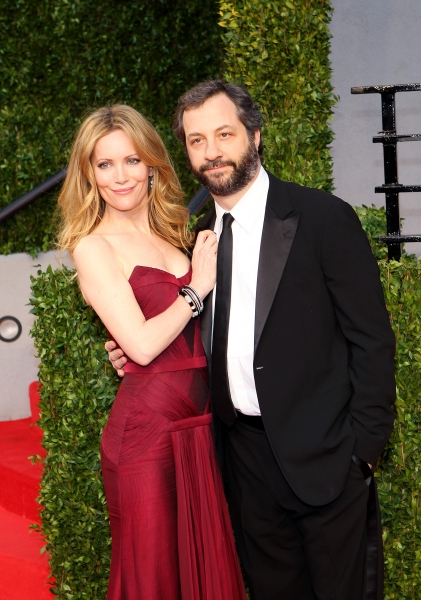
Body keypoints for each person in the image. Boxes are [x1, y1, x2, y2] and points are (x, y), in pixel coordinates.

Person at [107, 81, 397, 600]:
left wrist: (363, 453)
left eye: (224, 134)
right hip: (243, 466)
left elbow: (372, 341)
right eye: (197, 140)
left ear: (255, 136)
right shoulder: (195, 240)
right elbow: (183, 331)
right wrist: (130, 350)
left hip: (328, 460)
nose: (212, 151)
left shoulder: (322, 218)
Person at [57, 104, 248, 600]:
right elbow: (141, 346)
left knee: (199, 573)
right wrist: (195, 289)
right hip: (147, 437)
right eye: (104, 165)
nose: (120, 177)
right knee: (154, 579)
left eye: (131, 160)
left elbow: (174, 336)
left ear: (152, 165)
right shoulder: (92, 245)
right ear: (88, 174)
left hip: (200, 427)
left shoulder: (172, 231)